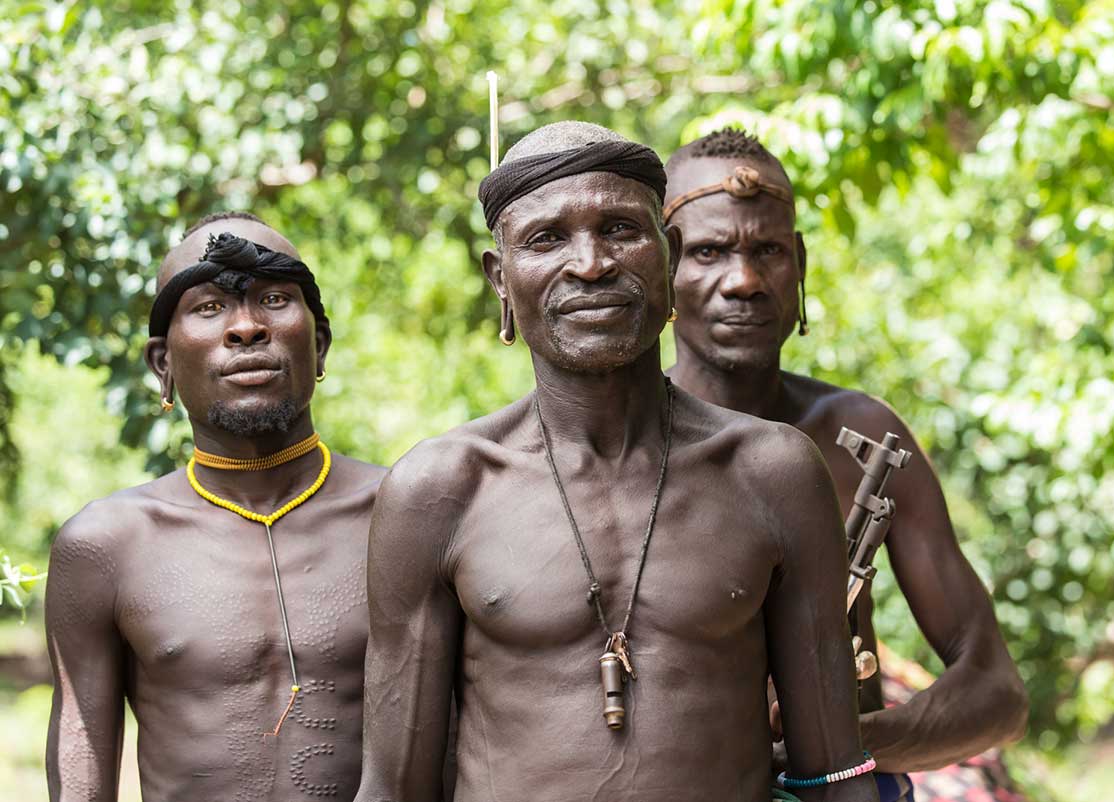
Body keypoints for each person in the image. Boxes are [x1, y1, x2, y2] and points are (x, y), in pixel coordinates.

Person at [354, 122, 877, 802]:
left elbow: (835, 777)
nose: (591, 264)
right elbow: (394, 791)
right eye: (546, 239)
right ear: (500, 277)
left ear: (671, 254)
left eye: (621, 230)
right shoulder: (440, 491)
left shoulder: (773, 473)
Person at [663, 128, 1030, 801]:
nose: (743, 281)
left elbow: (996, 691)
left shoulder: (861, 437)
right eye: (710, 251)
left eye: (767, 251)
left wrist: (841, 744)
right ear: (662, 270)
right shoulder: (619, 446)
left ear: (799, 265)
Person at [45, 213, 386, 802]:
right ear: (163, 365)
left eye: (275, 299)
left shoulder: (405, 513)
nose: (247, 327)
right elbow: (81, 755)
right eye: (209, 307)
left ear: (320, 343)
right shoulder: (106, 547)